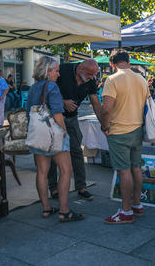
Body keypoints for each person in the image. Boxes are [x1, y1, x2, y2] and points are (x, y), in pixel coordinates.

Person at [26, 57, 83, 222]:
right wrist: (64, 132)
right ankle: (64, 211)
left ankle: (46, 208)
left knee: (41, 172)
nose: (59, 74)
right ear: (47, 71)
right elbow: (58, 114)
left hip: (38, 134)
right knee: (66, 170)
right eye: (56, 71)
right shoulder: (52, 86)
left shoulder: (33, 87)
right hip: (53, 133)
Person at [101, 49, 150, 224]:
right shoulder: (141, 79)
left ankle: (126, 211)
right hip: (137, 129)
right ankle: (137, 204)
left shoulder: (112, 79)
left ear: (112, 64)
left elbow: (106, 109)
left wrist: (105, 127)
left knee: (124, 171)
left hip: (119, 131)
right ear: (128, 62)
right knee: (136, 167)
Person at [47, 58, 101, 201]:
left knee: (77, 150)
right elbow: (46, 91)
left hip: (72, 118)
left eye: (94, 75)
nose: (92, 78)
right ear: (81, 68)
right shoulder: (63, 70)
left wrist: (104, 124)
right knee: (53, 152)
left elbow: (95, 103)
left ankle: (81, 187)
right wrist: (62, 102)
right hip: (54, 118)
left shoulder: (90, 81)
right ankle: (53, 188)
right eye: (89, 74)